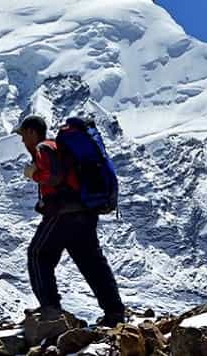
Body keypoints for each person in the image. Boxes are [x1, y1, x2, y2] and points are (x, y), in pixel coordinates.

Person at [15, 114, 126, 327]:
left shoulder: (44, 148)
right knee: (92, 262)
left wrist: (34, 175)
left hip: (63, 212)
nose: (22, 141)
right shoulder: (59, 147)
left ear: (31, 132)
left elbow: (54, 177)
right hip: (85, 212)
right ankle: (115, 313)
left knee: (39, 254)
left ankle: (50, 311)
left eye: (23, 135)